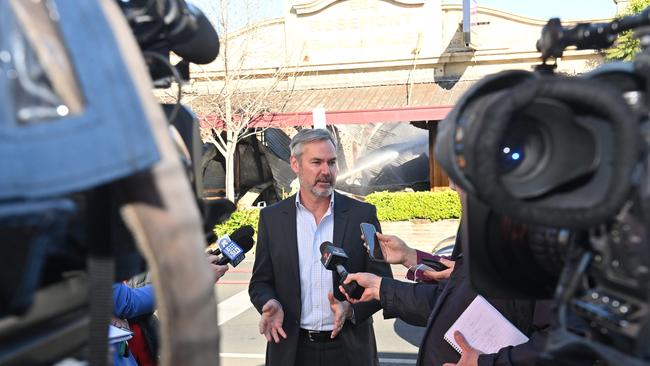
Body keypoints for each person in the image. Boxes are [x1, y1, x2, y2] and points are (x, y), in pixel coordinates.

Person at [248, 128, 393, 366]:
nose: (326, 171)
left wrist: (352, 310)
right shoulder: (272, 219)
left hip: (349, 351)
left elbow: (381, 282)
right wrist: (268, 302)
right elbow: (260, 281)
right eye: (316, 162)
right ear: (295, 164)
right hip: (292, 350)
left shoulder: (362, 215)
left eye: (332, 162)